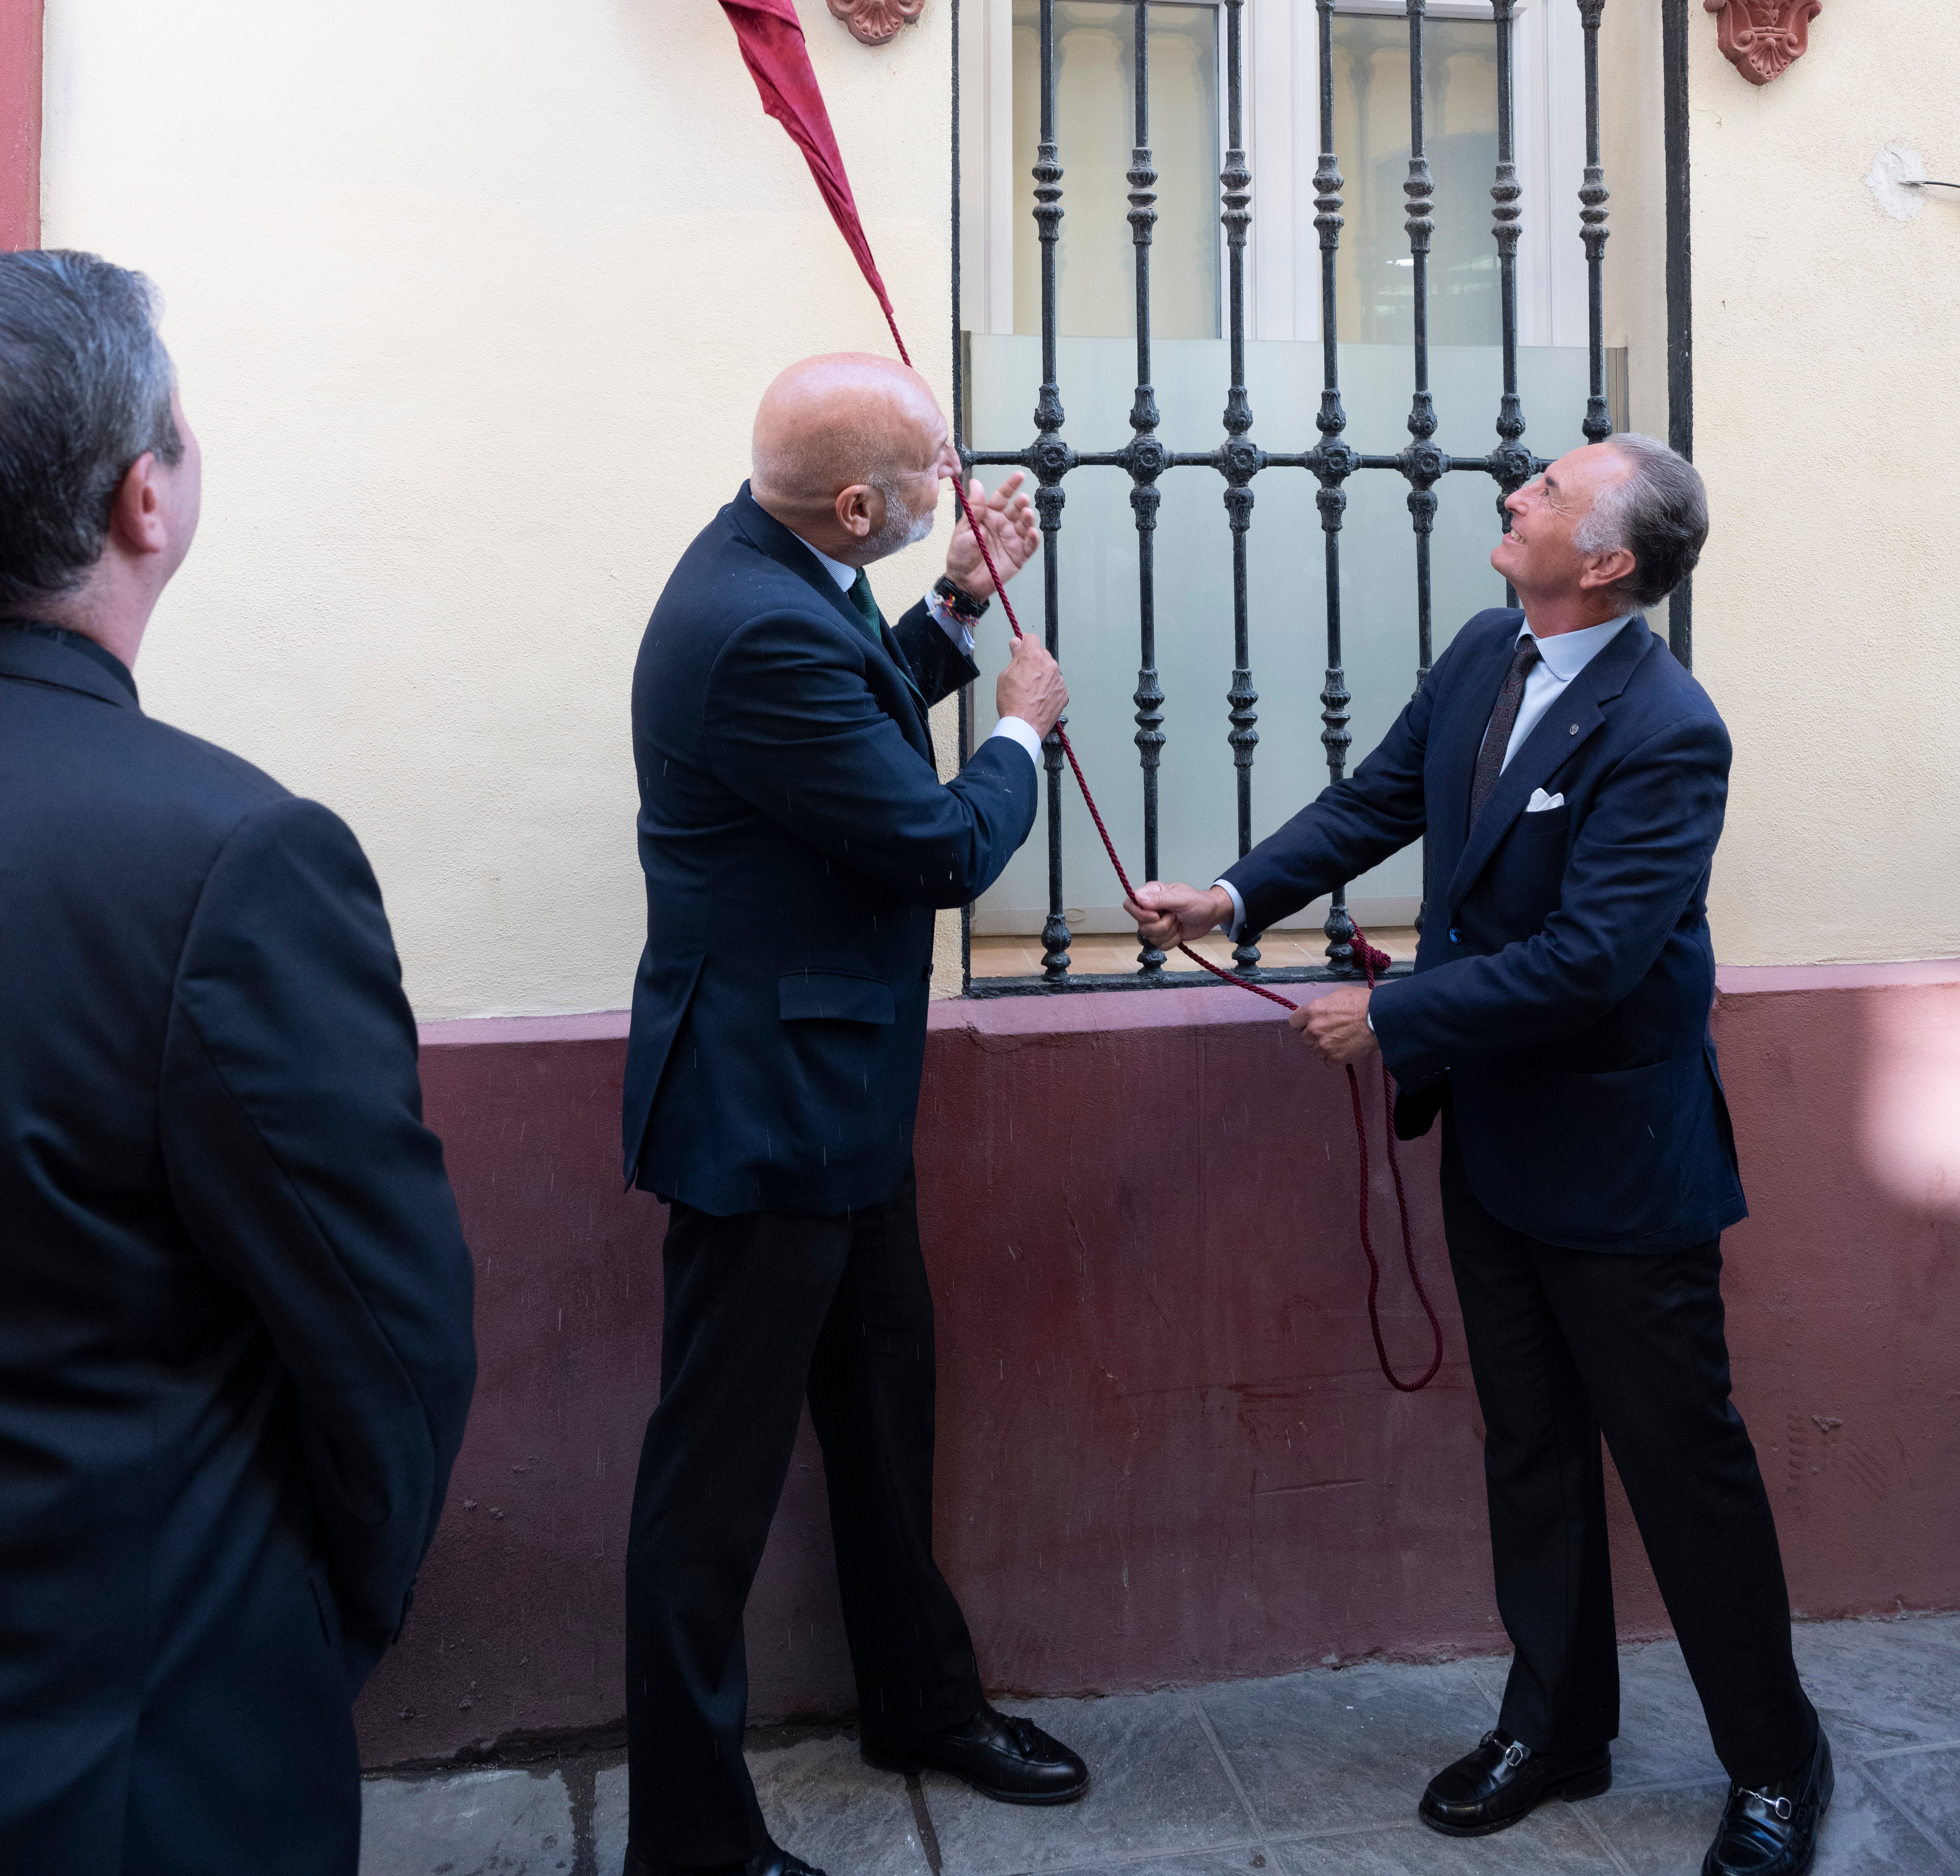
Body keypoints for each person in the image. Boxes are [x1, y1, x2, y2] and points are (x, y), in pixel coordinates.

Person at [1128, 436, 1831, 1876]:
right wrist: (1231, 895)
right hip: (1498, 1143)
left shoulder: (1667, 729)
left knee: (1681, 1469)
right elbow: (1376, 800)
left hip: (1622, 1169)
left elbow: (1593, 958)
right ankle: (1556, 1728)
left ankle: (1774, 1761)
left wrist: (1393, 1016)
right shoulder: (1481, 653)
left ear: (1608, 562)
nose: (1516, 494)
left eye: (1550, 493)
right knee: (1529, 1448)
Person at [0, 251, 477, 1876]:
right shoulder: (230, 860)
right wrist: (309, 1626)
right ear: (145, 497)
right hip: (127, 1749)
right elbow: (393, 1343)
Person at [622, 353, 1089, 1876]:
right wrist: (1019, 730)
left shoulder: (779, 568)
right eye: (930, 473)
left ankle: (919, 1704)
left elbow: (850, 715)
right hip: (765, 1116)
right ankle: (692, 1844)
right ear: (852, 506)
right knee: (711, 1495)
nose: (954, 483)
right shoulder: (753, 621)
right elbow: (934, 846)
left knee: (885, 1414)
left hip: (839, 1101)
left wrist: (952, 605)